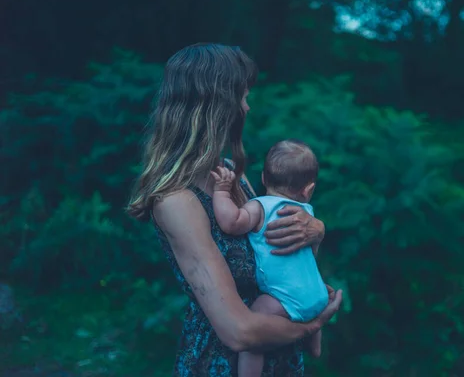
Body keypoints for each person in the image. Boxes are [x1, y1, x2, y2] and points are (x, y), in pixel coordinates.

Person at [126, 43, 343, 377]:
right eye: (242, 96)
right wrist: (313, 325)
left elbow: (269, 247)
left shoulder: (230, 174)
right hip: (223, 363)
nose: (248, 107)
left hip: (275, 354)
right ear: (216, 106)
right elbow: (238, 331)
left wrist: (316, 228)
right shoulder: (175, 200)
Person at [211, 139, 328, 377]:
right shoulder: (306, 213)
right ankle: (314, 346)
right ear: (309, 190)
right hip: (317, 294)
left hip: (284, 298)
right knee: (313, 300)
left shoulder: (259, 207)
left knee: (255, 325)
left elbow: (230, 223)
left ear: (264, 178)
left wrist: (222, 191)